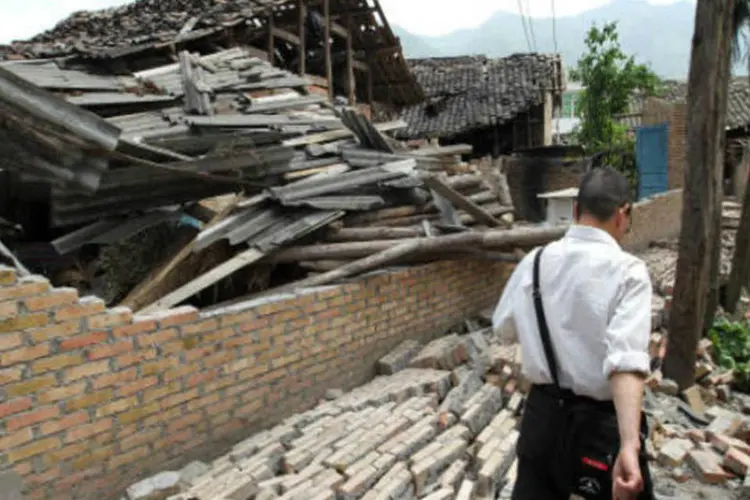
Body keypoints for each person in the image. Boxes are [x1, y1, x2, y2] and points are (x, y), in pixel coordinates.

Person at [493, 166, 654, 500]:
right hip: (598, 430)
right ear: (623, 214)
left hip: (542, 421)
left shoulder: (534, 262)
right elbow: (625, 362)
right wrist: (629, 444)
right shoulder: (629, 273)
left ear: (577, 211)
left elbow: (503, 328)